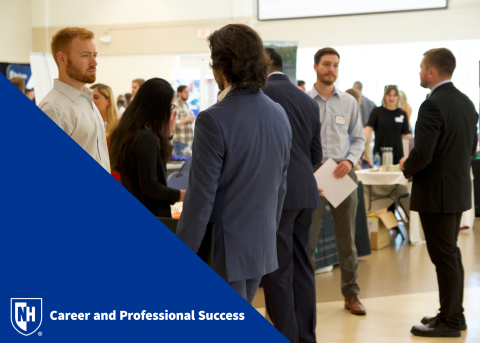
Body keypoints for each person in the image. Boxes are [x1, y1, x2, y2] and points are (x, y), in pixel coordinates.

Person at [176, 24, 292, 304]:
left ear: (219, 67)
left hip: (224, 251)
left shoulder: (212, 119)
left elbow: (201, 198)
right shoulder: (278, 113)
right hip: (260, 245)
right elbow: (280, 187)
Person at [400, 48, 478, 338]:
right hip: (456, 190)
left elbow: (423, 153)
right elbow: (471, 149)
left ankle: (451, 322)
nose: (420, 72)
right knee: (450, 255)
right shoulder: (467, 103)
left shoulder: (432, 105)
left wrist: (407, 165)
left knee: (444, 257)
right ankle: (452, 315)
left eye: (422, 68)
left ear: (431, 72)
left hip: (437, 194)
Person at [261, 48, 321, 343]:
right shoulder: (307, 101)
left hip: (277, 195)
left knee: (277, 270)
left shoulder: (262, 94)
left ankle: (285, 335)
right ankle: (307, 336)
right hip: (306, 193)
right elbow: (316, 154)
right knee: (303, 267)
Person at [307, 47, 366, 315]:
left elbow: (358, 138)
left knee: (347, 240)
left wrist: (350, 161)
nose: (331, 70)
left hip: (343, 172)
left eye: (335, 65)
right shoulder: (305, 102)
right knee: (307, 240)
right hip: (314, 175)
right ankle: (304, 295)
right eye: (326, 64)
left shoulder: (349, 102)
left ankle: (351, 294)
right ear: (316, 66)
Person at [109, 78, 185, 218]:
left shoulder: (126, 131)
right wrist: (181, 195)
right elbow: (150, 187)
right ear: (157, 107)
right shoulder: (144, 137)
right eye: (169, 106)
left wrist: (166, 135)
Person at [38, 27, 110, 172]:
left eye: (94, 55)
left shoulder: (87, 100)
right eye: (85, 55)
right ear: (62, 59)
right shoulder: (53, 109)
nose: (94, 62)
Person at [364, 85, 411, 165]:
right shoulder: (377, 112)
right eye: (389, 95)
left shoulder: (402, 113)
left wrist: (409, 154)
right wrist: (361, 147)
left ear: (398, 97)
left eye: (394, 95)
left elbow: (405, 135)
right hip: (380, 153)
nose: (391, 98)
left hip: (398, 154)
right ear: (385, 96)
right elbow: (368, 129)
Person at [91, 83, 121, 181]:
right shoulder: (87, 124)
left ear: (108, 101)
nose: (91, 101)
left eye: (96, 97)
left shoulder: (119, 126)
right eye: (88, 97)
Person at [353, 81, 376, 165]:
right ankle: (371, 168)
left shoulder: (357, 100)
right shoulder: (370, 101)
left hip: (361, 129)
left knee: (360, 152)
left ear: (355, 87)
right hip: (369, 131)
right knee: (368, 154)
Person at [173, 85, 196, 156]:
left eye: (188, 92)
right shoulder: (175, 105)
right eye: (185, 92)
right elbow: (174, 123)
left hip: (188, 141)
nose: (188, 94)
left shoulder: (185, 105)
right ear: (179, 93)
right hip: (180, 142)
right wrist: (188, 118)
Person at [345, 88, 364, 169]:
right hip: (346, 156)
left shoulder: (355, 112)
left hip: (350, 156)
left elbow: (358, 138)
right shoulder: (348, 111)